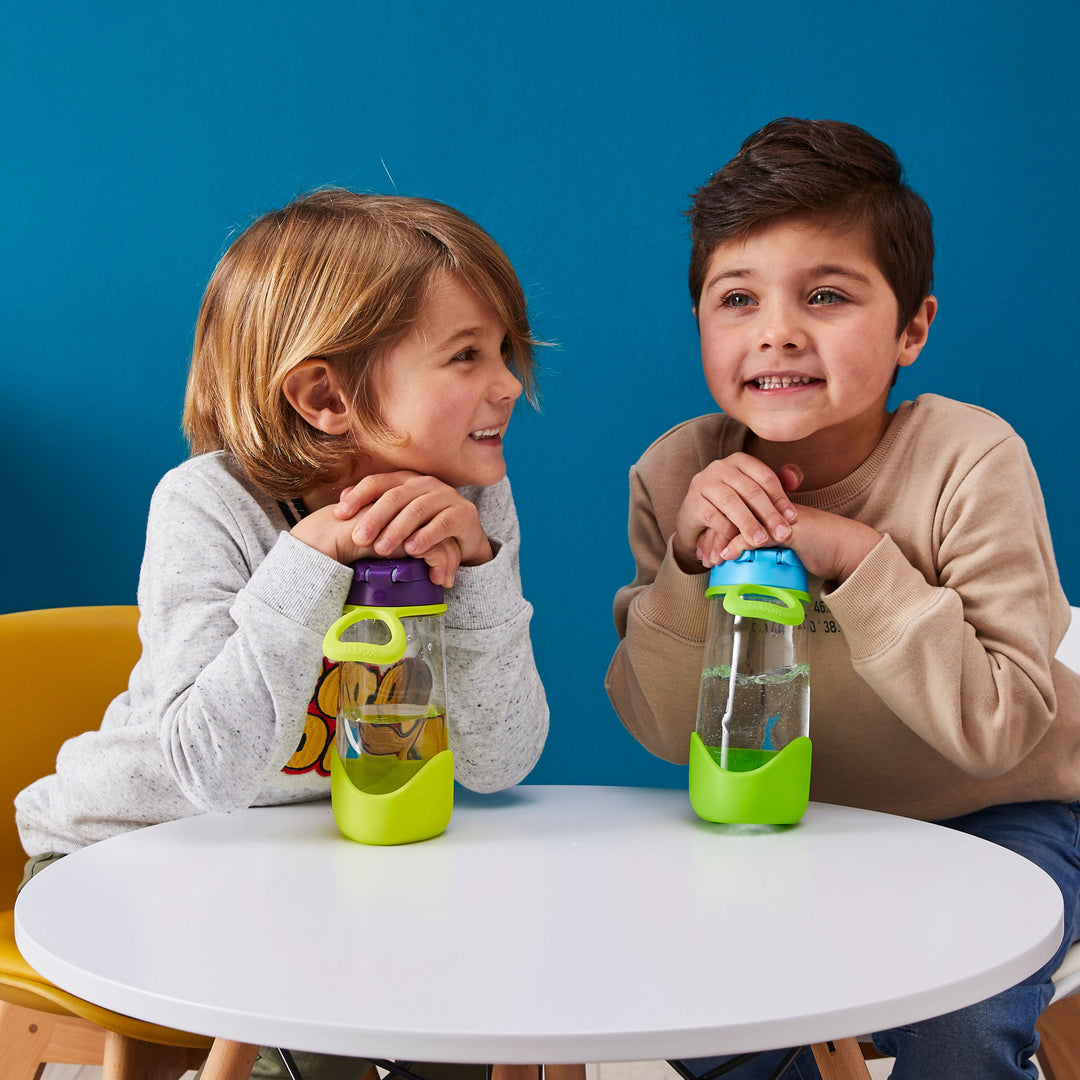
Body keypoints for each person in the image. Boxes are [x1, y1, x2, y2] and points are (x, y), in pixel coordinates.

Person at [16, 188, 550, 1079]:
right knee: (319, 1036)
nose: (508, 384)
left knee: (470, 1021)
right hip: (124, 856)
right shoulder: (207, 506)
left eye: (505, 351)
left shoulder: (471, 501)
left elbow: (501, 761)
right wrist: (308, 558)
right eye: (466, 356)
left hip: (312, 862)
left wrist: (485, 572)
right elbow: (210, 771)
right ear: (323, 396)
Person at [605, 118, 1080, 1079]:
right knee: (699, 1010)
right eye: (737, 298)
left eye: (826, 295)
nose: (777, 329)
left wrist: (860, 559)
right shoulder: (675, 474)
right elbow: (660, 727)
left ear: (913, 328)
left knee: (961, 1014)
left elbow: (1001, 728)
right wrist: (688, 574)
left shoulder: (969, 461)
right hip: (795, 826)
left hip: (1001, 813)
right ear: (698, 320)